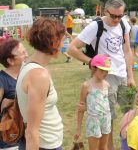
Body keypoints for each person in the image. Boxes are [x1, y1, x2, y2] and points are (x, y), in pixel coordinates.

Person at [67, 0, 135, 150]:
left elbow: (127, 50)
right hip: (105, 78)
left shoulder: (124, 24)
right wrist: (92, 62)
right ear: (105, 11)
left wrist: (130, 76)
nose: (117, 19)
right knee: (107, 117)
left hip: (123, 75)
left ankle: (131, 145)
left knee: (130, 113)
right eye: (113, 16)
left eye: (120, 15)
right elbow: (71, 48)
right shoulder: (94, 26)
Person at [16, 17, 65, 150]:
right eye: (61, 40)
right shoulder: (38, 75)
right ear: (52, 41)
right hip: (44, 145)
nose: (62, 45)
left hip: (50, 142)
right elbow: (32, 132)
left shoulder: (30, 65)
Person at [74, 54, 112, 150]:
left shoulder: (107, 85)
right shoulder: (86, 86)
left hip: (106, 119)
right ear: (93, 68)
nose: (105, 73)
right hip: (93, 121)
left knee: (103, 147)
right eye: (102, 70)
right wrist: (78, 128)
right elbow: (80, 108)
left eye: (106, 71)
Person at [0, 38, 28, 150]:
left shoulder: (26, 75)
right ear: (10, 61)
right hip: (10, 140)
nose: (27, 55)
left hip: (27, 137)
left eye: (26, 51)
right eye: (23, 53)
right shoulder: (2, 80)